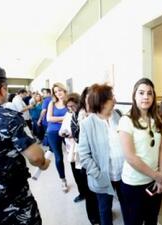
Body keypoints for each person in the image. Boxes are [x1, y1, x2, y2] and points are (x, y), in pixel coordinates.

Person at [0, 65, 50, 224]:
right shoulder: (7, 117)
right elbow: (36, 157)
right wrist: (44, 163)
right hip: (11, 199)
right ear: (2, 89)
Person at [118, 78, 162, 225]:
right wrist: (157, 176)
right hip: (134, 184)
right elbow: (130, 157)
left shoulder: (157, 119)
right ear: (134, 96)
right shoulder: (126, 120)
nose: (146, 97)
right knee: (134, 222)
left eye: (149, 93)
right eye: (141, 93)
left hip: (154, 182)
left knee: (152, 219)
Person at [77, 84, 124, 225]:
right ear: (102, 101)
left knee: (128, 206)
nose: (114, 99)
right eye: (111, 97)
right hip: (103, 177)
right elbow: (84, 156)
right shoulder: (87, 124)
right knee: (104, 210)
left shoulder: (119, 115)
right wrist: (98, 175)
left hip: (123, 174)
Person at [70, 87, 100, 224]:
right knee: (90, 191)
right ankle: (93, 217)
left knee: (101, 190)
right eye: (89, 97)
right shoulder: (78, 115)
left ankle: (103, 213)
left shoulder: (101, 112)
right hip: (86, 158)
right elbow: (77, 137)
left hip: (101, 158)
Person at [46, 82, 68, 192]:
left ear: (64, 90)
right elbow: (49, 119)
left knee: (73, 155)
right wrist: (65, 118)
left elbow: (74, 116)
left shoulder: (69, 102)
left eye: (59, 90)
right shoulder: (52, 103)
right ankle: (63, 180)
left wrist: (58, 118)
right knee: (59, 158)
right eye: (55, 92)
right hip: (53, 132)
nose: (58, 93)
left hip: (67, 132)